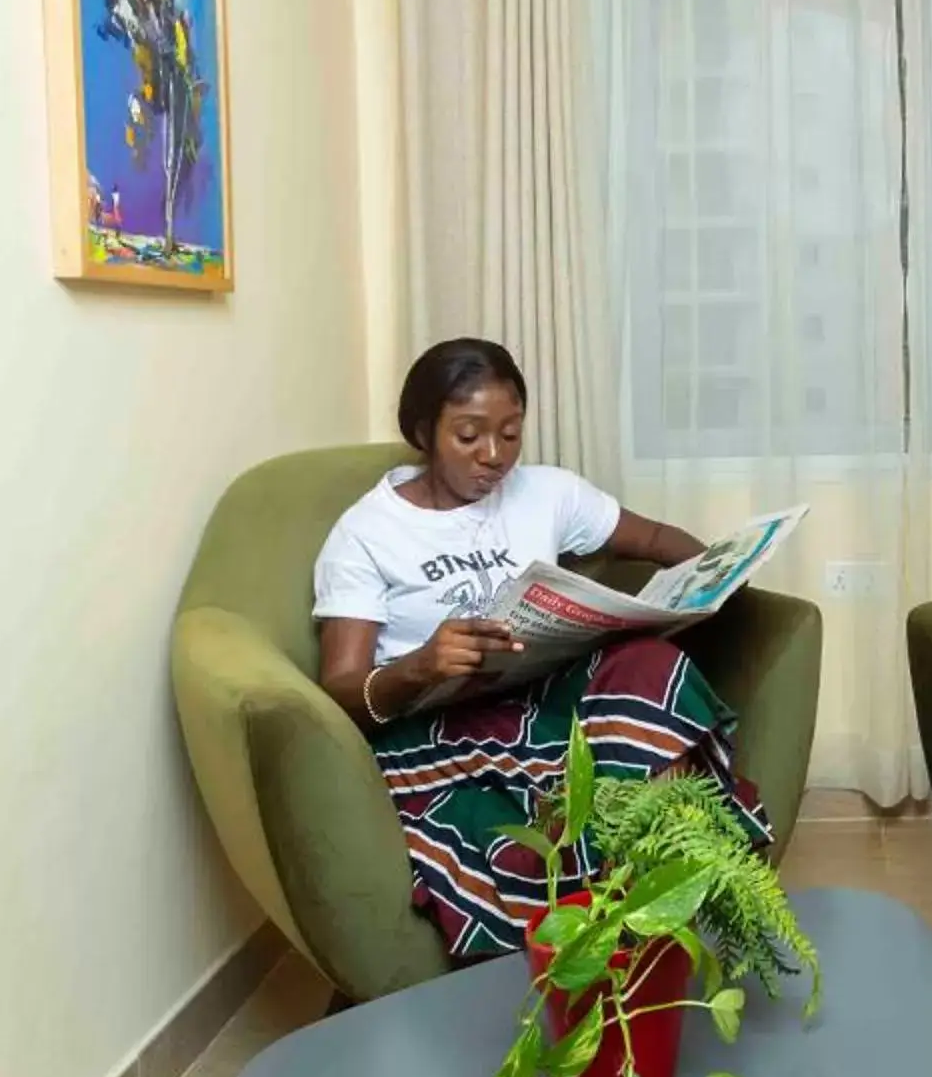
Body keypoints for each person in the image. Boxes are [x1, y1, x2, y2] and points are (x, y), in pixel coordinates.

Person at [314, 336, 768, 960]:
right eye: (469, 436)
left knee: (652, 664)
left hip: (543, 690)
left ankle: (658, 888)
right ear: (423, 431)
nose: (494, 456)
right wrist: (419, 666)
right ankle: (611, 924)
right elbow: (340, 690)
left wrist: (719, 571)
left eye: (510, 433)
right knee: (518, 821)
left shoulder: (548, 492)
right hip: (439, 724)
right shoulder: (366, 533)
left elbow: (657, 537)